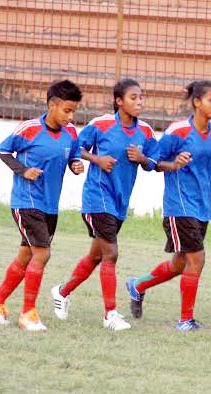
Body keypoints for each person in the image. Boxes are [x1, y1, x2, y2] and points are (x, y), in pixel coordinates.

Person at [126, 81, 211, 332]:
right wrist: (174, 164)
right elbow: (155, 162)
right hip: (178, 207)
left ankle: (138, 285)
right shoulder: (177, 131)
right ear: (197, 102)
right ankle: (185, 320)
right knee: (198, 260)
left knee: (180, 264)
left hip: (201, 208)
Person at [51, 79, 158, 331]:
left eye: (141, 97)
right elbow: (76, 148)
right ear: (119, 101)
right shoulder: (101, 124)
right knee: (111, 253)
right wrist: (96, 159)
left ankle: (62, 292)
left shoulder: (146, 131)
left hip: (120, 202)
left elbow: (154, 161)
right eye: (134, 97)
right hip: (97, 198)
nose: (139, 101)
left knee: (96, 255)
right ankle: (110, 315)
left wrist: (142, 158)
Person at [0, 80, 84, 331]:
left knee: (25, 256)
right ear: (52, 105)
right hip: (26, 201)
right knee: (42, 254)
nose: (70, 116)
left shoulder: (71, 132)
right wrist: (23, 171)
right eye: (66, 110)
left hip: (50, 206)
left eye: (74, 111)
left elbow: (73, 154)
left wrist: (75, 165)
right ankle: (28, 314)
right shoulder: (29, 129)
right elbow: (2, 150)